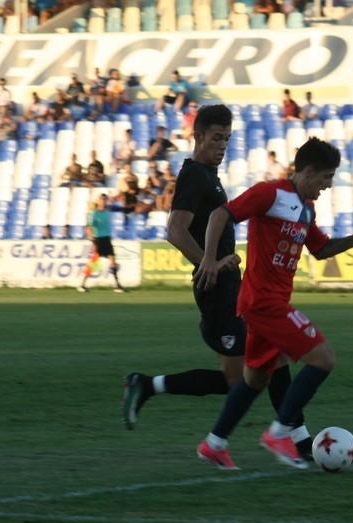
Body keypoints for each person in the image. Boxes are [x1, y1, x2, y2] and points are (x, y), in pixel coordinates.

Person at [120, 106, 307, 458]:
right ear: (198, 136)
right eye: (215, 137)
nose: (222, 145)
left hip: (228, 284)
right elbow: (175, 229)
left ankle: (296, 437)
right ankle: (290, 437)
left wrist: (222, 260)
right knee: (245, 376)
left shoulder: (210, 175)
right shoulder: (195, 176)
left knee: (264, 362)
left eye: (227, 138)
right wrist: (208, 262)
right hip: (218, 290)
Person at [191, 137, 353, 470]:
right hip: (263, 301)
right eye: (324, 179)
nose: (327, 186)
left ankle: (214, 443)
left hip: (271, 302)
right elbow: (221, 214)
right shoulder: (270, 193)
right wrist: (207, 258)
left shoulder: (306, 208)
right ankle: (279, 433)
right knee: (323, 358)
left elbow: (321, 250)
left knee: (256, 380)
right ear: (307, 171)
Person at [78, 194, 124, 293]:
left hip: (107, 239)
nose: (103, 201)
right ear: (98, 201)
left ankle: (117, 285)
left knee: (113, 261)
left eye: (104, 200)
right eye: (101, 200)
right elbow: (89, 228)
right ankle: (82, 284)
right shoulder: (94, 214)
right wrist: (93, 242)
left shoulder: (107, 212)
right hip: (98, 239)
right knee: (94, 263)